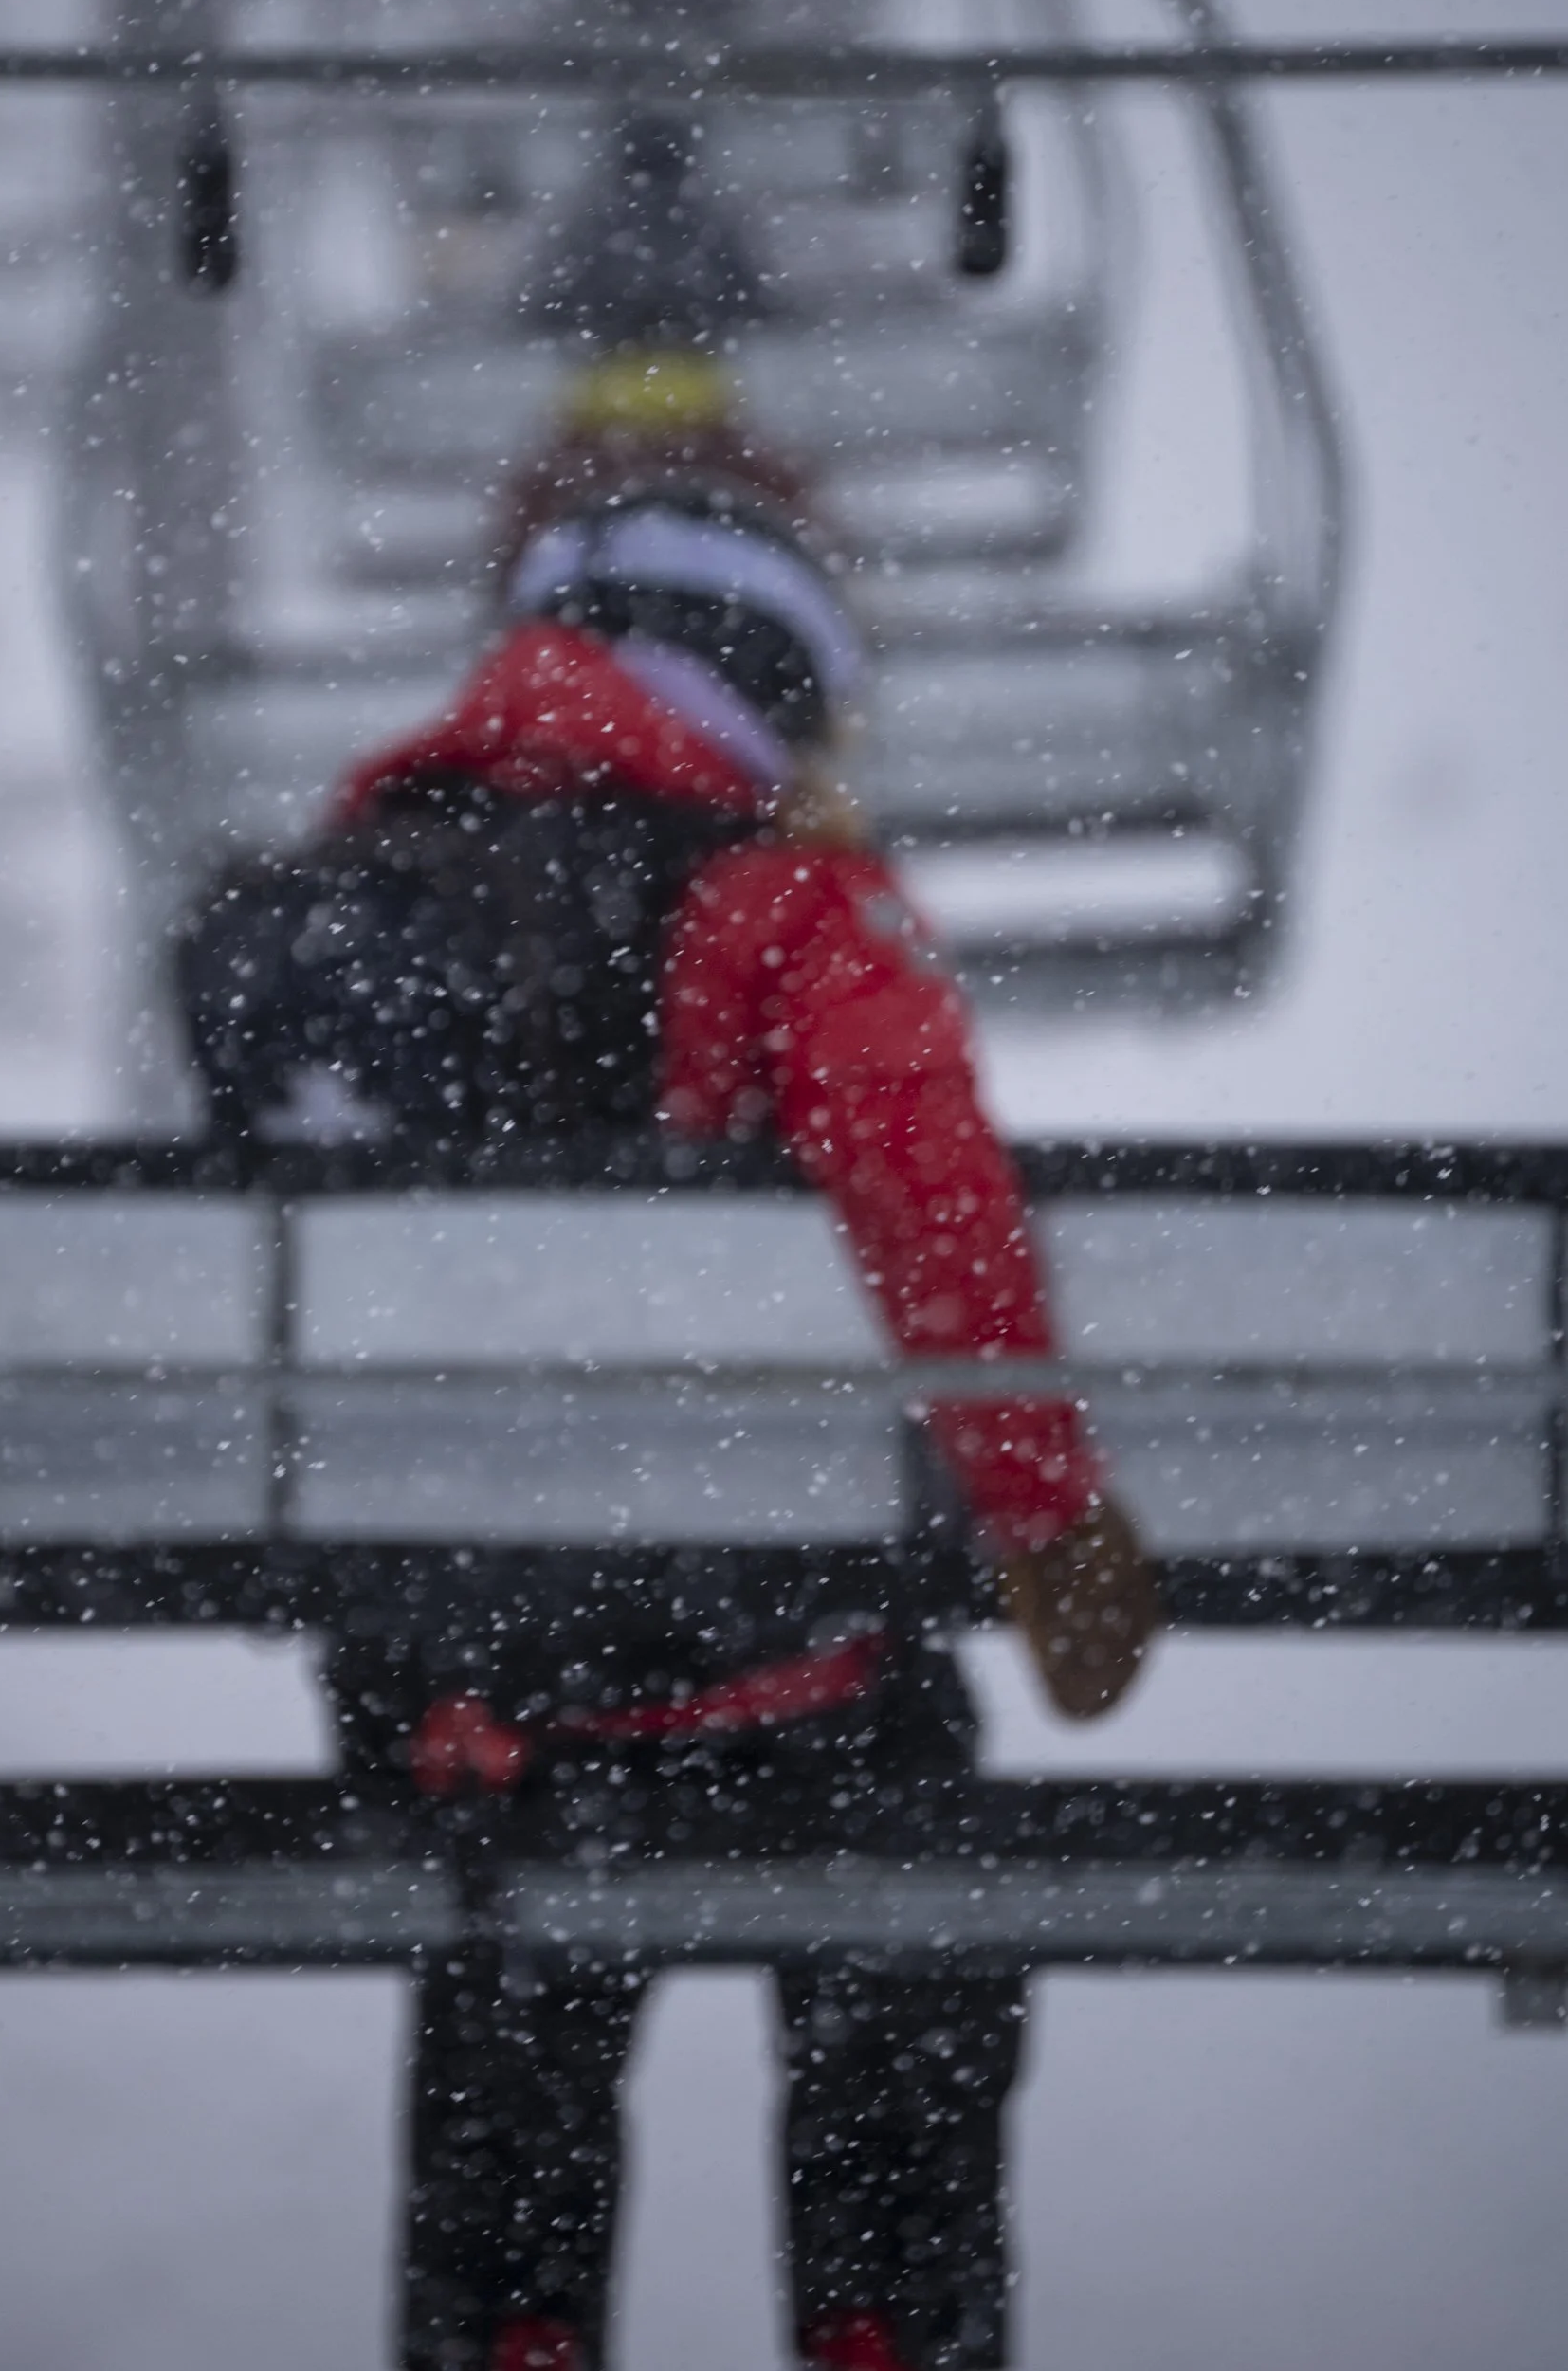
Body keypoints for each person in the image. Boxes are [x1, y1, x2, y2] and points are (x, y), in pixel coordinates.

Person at [179, 134, 1157, 2371]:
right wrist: (1044, 1520)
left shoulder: (339, 895)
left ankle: (509, 2327)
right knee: (902, 1853)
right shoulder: (783, 904)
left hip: (476, 1714)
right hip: (765, 1672)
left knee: (510, 1992)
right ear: (764, 696)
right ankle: (884, 2315)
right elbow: (931, 1208)